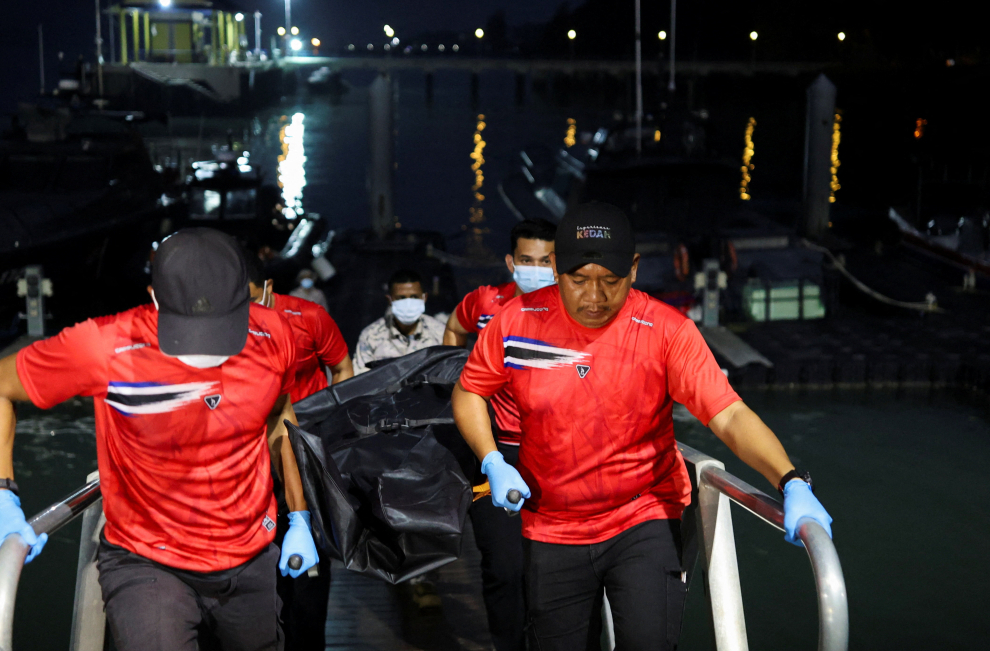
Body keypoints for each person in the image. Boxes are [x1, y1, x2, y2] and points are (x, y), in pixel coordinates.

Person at [453, 204, 833, 651]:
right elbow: (469, 390)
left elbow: (727, 414)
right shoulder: (515, 323)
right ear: (556, 267)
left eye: (610, 281)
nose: (594, 296)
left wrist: (789, 481)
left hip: (642, 516)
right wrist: (492, 459)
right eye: (578, 280)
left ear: (633, 269)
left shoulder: (666, 330)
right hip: (551, 526)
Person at [0, 228, 320, 651]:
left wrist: (299, 518)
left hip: (252, 557)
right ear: (155, 297)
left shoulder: (275, 334)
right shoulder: (105, 346)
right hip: (148, 560)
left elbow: (282, 415)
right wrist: (1, 497)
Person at [442, 217, 555, 651]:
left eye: (546, 261)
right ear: (511, 262)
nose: (536, 268)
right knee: (503, 567)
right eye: (527, 260)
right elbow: (455, 324)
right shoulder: (487, 302)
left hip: (553, 455)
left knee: (549, 567)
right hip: (493, 452)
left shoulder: (572, 308)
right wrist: (456, 369)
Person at [244, 250, 351, 651]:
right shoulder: (222, 331)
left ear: (268, 289)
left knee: (308, 574)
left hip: (304, 458)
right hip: (249, 468)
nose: (246, 312)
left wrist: (335, 430)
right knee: (261, 575)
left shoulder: (307, 318)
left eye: (252, 299)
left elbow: (341, 367)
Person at [247, 257, 352, 400]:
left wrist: (332, 416)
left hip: (308, 418)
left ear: (269, 286)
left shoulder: (309, 315)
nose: (247, 309)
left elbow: (343, 370)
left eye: (252, 301)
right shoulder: (228, 323)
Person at [353, 268, 445, 374]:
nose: (408, 303)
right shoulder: (371, 336)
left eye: (414, 297)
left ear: (424, 298)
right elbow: (360, 378)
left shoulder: (440, 333)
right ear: (390, 300)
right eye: (401, 298)